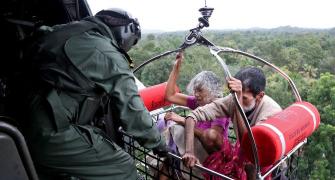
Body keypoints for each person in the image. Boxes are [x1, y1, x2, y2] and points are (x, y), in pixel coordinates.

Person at [23, 8, 166, 180]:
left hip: (20, 115)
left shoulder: (61, 31)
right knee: (124, 168)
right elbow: (133, 111)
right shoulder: (107, 53)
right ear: (127, 32)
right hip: (49, 131)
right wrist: (160, 145)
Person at [182, 67, 282, 179]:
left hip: (261, 160)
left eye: (244, 98)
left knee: (251, 167)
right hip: (241, 153)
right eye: (236, 96)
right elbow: (192, 116)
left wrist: (238, 102)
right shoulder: (233, 99)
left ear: (259, 96)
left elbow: (250, 146)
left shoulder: (272, 112)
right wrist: (189, 151)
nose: (240, 101)